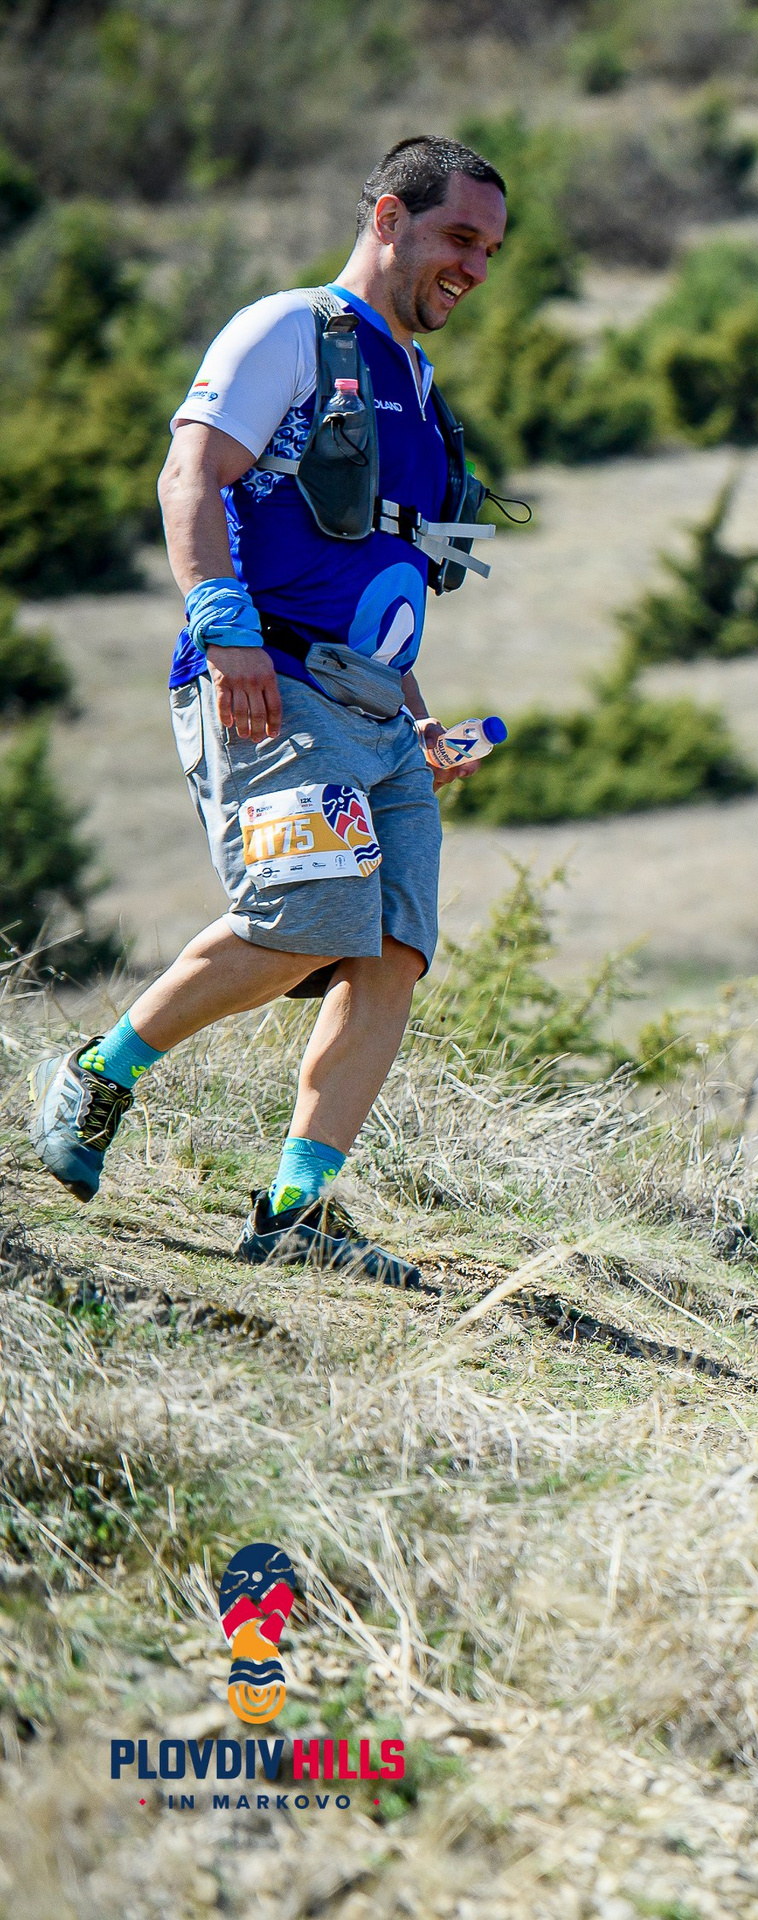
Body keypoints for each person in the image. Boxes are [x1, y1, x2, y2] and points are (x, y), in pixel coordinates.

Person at [29, 136, 511, 1287]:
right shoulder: (290, 330)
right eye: (458, 238)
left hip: (375, 708)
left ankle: (297, 1210)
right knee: (301, 915)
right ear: (388, 216)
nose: (474, 268)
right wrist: (225, 630)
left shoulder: (417, 380)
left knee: (390, 952)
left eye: (489, 251)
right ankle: (102, 1070)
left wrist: (420, 718)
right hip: (272, 679)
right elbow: (189, 476)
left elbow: (378, 568)